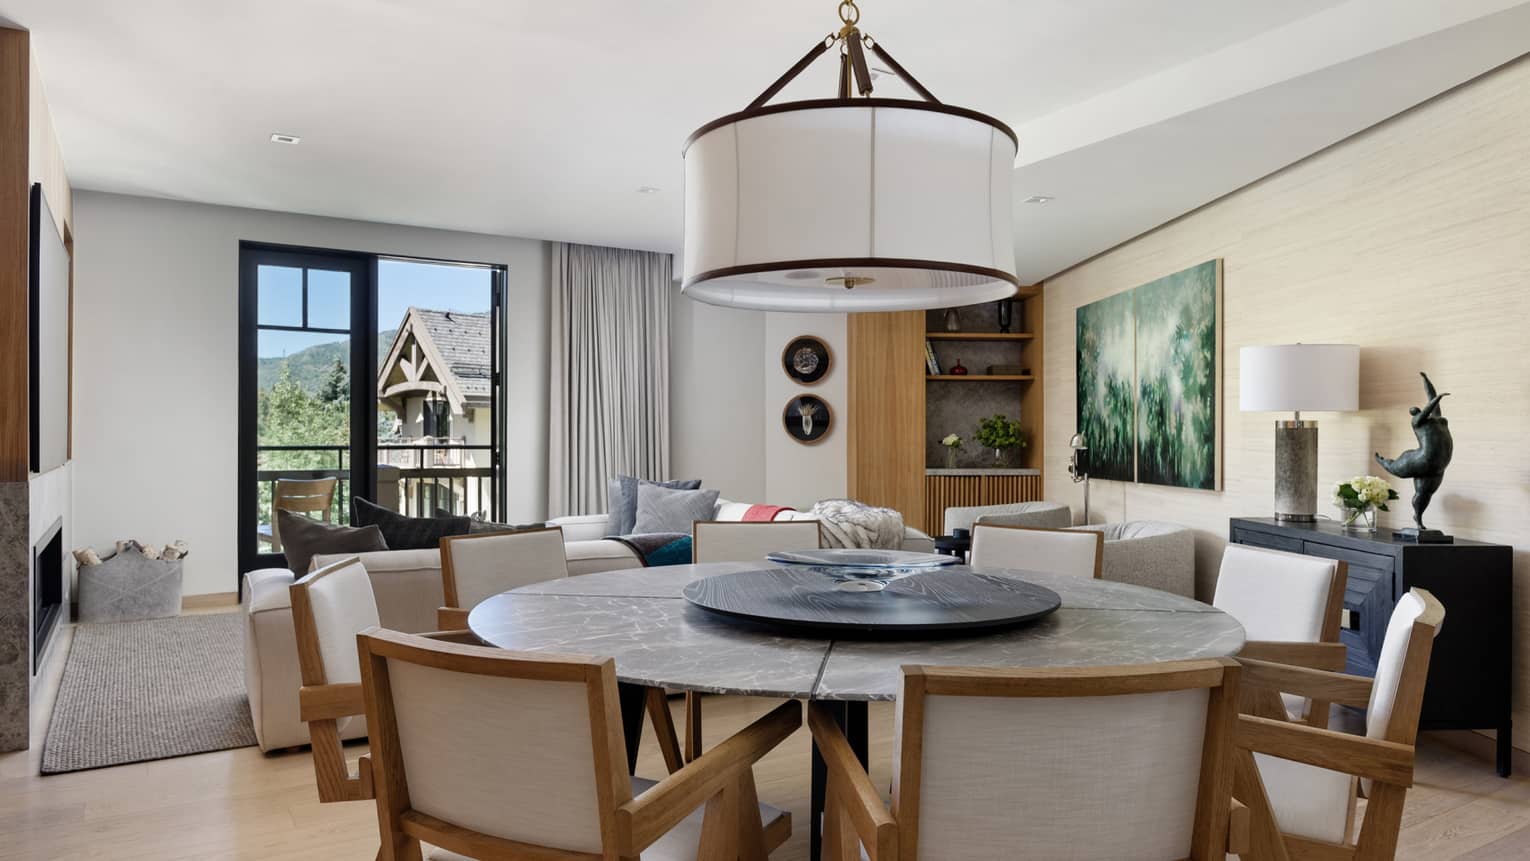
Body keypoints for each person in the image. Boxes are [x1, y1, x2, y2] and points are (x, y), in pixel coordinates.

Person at [1374, 372, 1452, 531]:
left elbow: (1432, 396)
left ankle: (1418, 519)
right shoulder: (1417, 422)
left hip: (1439, 465)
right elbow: (1430, 405)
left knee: (1425, 493)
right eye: (1413, 410)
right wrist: (1438, 398)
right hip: (1423, 459)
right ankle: (1383, 461)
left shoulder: (1437, 419)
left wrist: (1426, 380)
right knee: (1395, 468)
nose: (1415, 409)